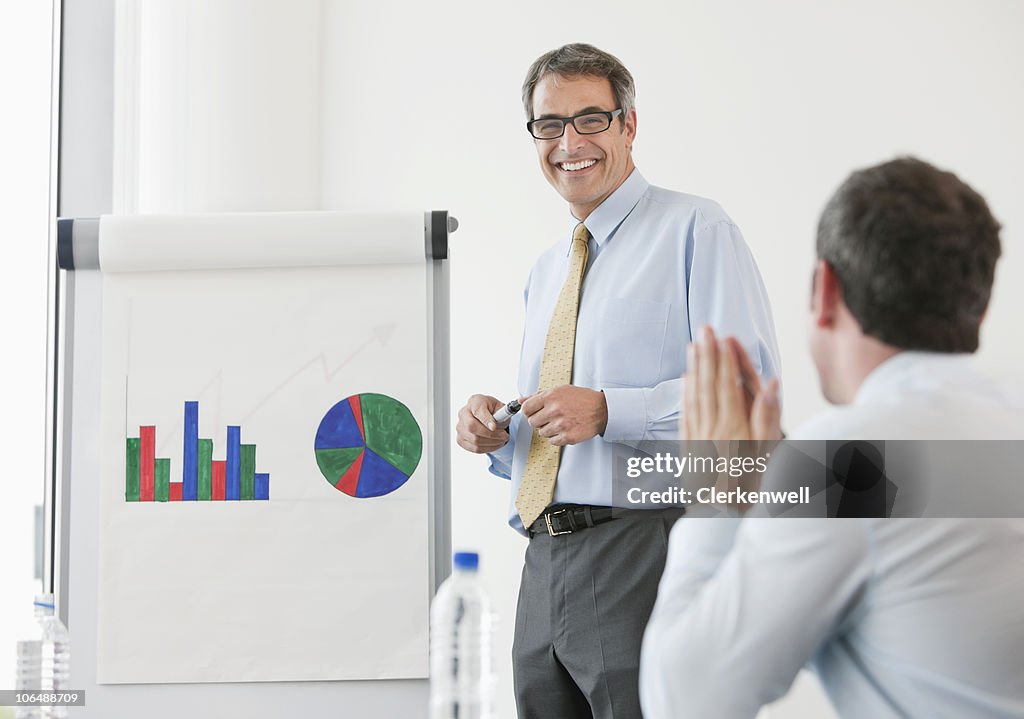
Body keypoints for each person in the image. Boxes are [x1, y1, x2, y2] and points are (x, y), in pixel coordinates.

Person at [455, 43, 781, 718]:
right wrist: (501, 436)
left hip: (645, 543)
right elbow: (561, 434)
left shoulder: (697, 228)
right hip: (543, 561)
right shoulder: (547, 270)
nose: (569, 142)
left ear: (629, 125)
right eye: (550, 125)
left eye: (590, 119)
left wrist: (611, 410)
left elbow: (748, 406)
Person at [639, 157, 1024, 718]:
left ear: (825, 290)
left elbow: (684, 701)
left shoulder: (848, 461)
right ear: (981, 304)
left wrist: (718, 497)